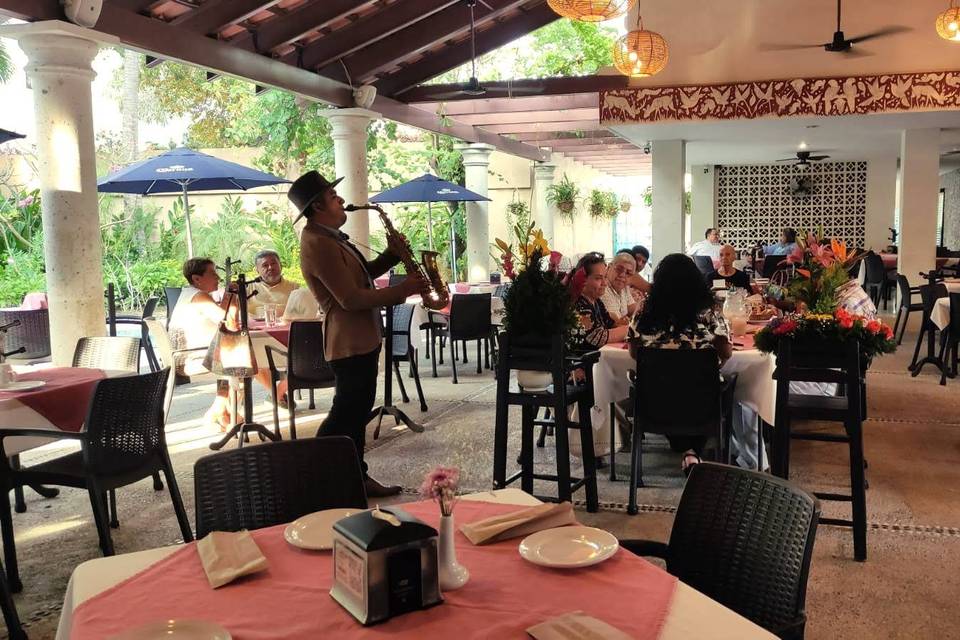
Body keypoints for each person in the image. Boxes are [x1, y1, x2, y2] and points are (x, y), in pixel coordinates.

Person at [293, 170, 426, 498]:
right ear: (318, 207)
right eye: (333, 197)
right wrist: (403, 290)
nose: (341, 201)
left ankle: (355, 476)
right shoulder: (317, 243)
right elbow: (350, 299)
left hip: (360, 338)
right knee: (346, 414)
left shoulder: (330, 237)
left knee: (354, 414)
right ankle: (314, 477)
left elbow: (361, 276)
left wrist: (390, 256)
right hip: (347, 341)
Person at [628, 253, 732, 475]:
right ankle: (693, 452)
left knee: (669, 392)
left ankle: (687, 451)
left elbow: (634, 352)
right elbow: (727, 351)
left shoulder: (646, 308)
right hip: (702, 397)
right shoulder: (709, 309)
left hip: (656, 401)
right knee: (711, 389)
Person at [168, 257, 239, 431]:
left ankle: (223, 414)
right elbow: (230, 322)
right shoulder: (198, 297)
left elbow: (221, 316)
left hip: (185, 356)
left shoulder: (189, 294)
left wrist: (228, 296)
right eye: (213, 274)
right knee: (244, 365)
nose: (218, 278)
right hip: (192, 359)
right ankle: (217, 414)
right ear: (197, 279)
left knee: (237, 360)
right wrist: (234, 296)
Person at [568, 253, 631, 351]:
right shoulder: (579, 304)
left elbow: (610, 323)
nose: (605, 283)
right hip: (581, 362)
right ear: (582, 280)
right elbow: (598, 337)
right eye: (598, 278)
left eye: (605, 277)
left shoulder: (596, 301)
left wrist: (621, 323)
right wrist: (631, 330)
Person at [248, 250, 300, 317]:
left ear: (281, 266)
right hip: (255, 327)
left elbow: (302, 314)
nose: (270, 268)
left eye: (273, 264)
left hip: (285, 326)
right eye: (265, 265)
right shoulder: (247, 288)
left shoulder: (295, 288)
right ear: (257, 270)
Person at [601, 252, 639, 323]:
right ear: (609, 267)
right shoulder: (603, 289)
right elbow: (617, 322)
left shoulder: (624, 287)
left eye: (628, 273)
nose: (622, 275)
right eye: (619, 269)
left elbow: (633, 309)